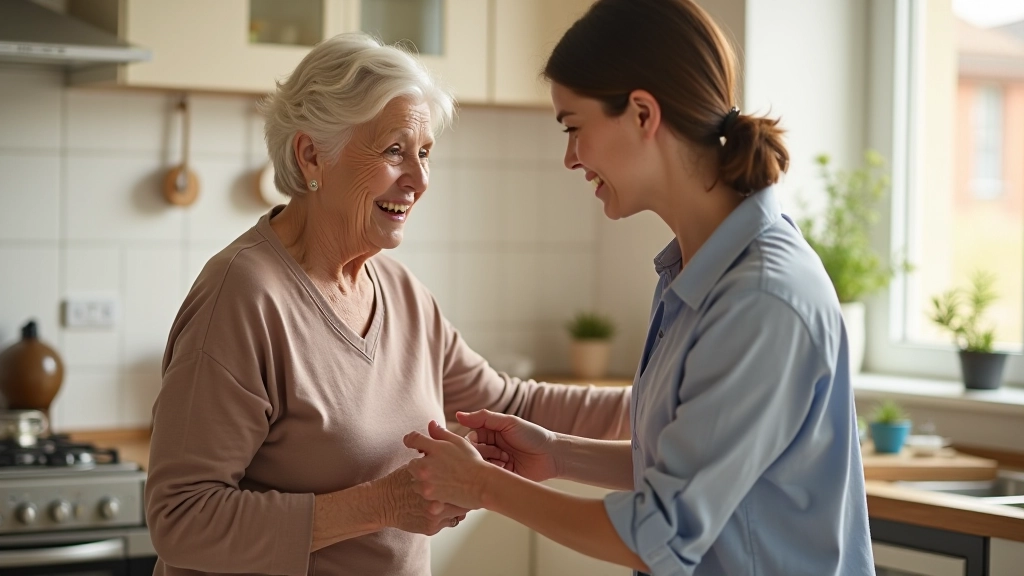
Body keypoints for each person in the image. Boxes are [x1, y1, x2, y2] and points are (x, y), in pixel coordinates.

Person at [402, 0, 875, 574]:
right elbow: (687, 467)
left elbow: (659, 535)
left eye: (575, 128)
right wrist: (556, 454)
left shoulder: (759, 298)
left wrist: (484, 487)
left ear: (642, 114)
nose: (571, 158)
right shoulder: (694, 271)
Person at [144, 32, 631, 576]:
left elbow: (509, 407)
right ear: (311, 155)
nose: (420, 180)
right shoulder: (244, 296)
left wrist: (661, 404)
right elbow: (180, 519)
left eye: (424, 153)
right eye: (395, 150)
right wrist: (383, 504)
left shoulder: (399, 293)